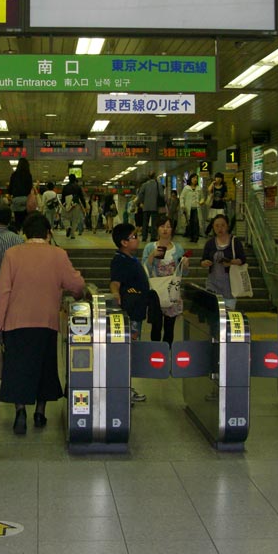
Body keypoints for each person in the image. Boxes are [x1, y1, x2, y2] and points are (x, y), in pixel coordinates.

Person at [0, 212, 85, 433]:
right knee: (44, 367)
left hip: (16, 323)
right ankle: (40, 413)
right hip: (46, 322)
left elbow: (2, 291)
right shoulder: (58, 254)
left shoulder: (12, 254)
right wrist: (79, 284)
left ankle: (20, 412)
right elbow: (76, 285)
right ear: (48, 232)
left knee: (18, 368)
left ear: (24, 233)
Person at [109, 223, 158, 403]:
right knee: (127, 351)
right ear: (123, 242)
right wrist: (115, 294)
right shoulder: (120, 260)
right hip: (130, 313)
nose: (137, 239)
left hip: (137, 311)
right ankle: (124, 389)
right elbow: (115, 282)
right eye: (134, 237)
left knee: (131, 349)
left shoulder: (130, 258)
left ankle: (126, 387)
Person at [141, 215, 189, 345]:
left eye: (168, 226)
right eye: (162, 226)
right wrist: (152, 256)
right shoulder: (150, 247)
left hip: (172, 291)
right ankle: (156, 352)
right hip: (156, 292)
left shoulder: (178, 248)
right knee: (156, 327)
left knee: (169, 327)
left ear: (172, 229)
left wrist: (185, 264)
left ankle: (167, 352)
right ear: (157, 229)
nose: (165, 229)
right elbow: (144, 269)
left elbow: (183, 272)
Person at [201, 214, 247, 308]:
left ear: (227, 226)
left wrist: (231, 262)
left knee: (228, 314)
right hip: (213, 283)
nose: (220, 228)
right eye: (216, 226)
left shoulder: (235, 242)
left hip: (230, 285)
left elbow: (242, 259)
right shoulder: (210, 243)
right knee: (213, 314)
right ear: (213, 228)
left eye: (222, 225)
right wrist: (205, 263)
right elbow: (202, 260)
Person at [8, 157, 35, 232]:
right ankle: (25, 236)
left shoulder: (14, 175)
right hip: (25, 199)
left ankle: (17, 236)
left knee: (18, 220)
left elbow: (10, 189)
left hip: (16, 199)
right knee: (26, 221)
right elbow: (30, 188)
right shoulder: (28, 175)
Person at [137, 172, 161, 241]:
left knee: (145, 223)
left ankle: (144, 237)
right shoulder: (158, 185)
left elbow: (140, 194)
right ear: (155, 177)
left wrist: (141, 202)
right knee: (154, 223)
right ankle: (153, 237)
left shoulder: (144, 185)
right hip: (155, 206)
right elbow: (162, 195)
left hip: (146, 207)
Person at [61, 173, 86, 239]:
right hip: (76, 204)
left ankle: (68, 227)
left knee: (64, 217)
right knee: (75, 220)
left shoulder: (65, 187)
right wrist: (84, 206)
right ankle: (72, 235)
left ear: (69, 179)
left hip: (67, 203)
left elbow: (63, 197)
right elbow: (81, 197)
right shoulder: (78, 187)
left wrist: (63, 204)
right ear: (75, 179)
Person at [180, 174, 204, 243]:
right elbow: (182, 197)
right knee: (190, 222)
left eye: (196, 178)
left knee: (196, 222)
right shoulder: (186, 188)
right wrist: (182, 205)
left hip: (196, 208)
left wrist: (201, 201)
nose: (195, 179)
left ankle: (196, 236)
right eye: (193, 178)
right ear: (190, 179)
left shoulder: (199, 188)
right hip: (188, 208)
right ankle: (191, 236)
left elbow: (202, 197)